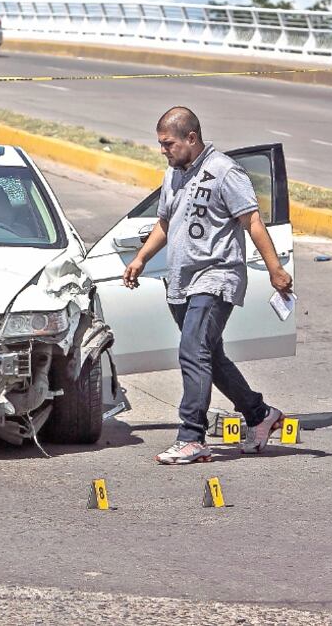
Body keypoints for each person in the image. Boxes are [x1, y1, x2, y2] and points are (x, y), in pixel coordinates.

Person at [122, 107, 294, 465]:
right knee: (209, 357)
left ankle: (192, 437)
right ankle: (260, 414)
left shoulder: (225, 172)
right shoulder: (173, 173)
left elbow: (252, 221)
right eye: (160, 144)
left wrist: (275, 269)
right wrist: (140, 258)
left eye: (168, 144)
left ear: (191, 138)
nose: (163, 150)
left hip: (217, 275)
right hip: (181, 280)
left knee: (192, 351)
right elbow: (165, 222)